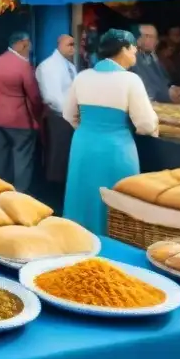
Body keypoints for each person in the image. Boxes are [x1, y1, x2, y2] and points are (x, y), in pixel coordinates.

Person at [62, 30, 159, 234]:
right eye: (133, 48)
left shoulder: (83, 77)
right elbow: (146, 124)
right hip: (116, 149)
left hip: (83, 145)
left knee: (82, 195)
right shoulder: (131, 80)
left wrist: (89, 129)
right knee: (116, 201)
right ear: (122, 49)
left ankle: (76, 241)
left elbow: (68, 113)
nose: (135, 52)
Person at [0, 32, 43, 192]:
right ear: (22, 43)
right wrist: (38, 115)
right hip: (20, 120)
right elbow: (34, 96)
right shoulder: (23, 66)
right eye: (29, 44)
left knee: (2, 155)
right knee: (22, 158)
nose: (30, 48)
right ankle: (20, 194)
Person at [35, 35, 77, 184]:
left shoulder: (70, 66)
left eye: (74, 44)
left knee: (67, 155)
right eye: (69, 44)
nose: (72, 47)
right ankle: (53, 190)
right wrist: (69, 113)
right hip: (58, 116)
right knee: (57, 154)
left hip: (72, 116)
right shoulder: (48, 66)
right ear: (59, 45)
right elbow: (51, 97)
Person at [131, 24, 172, 103]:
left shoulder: (153, 57)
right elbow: (147, 87)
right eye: (147, 36)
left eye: (153, 37)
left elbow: (165, 80)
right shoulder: (133, 58)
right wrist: (168, 93)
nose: (151, 40)